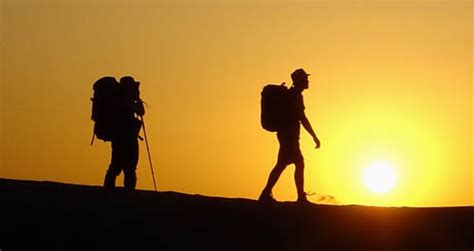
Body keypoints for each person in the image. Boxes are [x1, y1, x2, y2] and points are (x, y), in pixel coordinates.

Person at [259, 68, 321, 203]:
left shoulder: (293, 95)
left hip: (287, 134)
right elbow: (302, 118)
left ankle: (266, 193)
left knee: (283, 164)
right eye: (306, 79)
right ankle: (300, 197)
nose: (308, 81)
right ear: (300, 81)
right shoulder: (295, 96)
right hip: (289, 135)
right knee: (297, 163)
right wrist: (314, 136)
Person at [103, 76, 145, 190]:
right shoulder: (124, 100)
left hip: (121, 137)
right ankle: (126, 192)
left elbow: (141, 111)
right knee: (126, 166)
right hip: (126, 138)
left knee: (118, 165)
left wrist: (136, 98)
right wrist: (136, 99)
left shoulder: (120, 99)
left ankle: (109, 190)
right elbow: (141, 111)